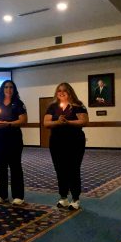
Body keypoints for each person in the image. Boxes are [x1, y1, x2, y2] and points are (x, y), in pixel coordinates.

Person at [44, 82, 88, 210]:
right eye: (59, 91)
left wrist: (68, 122)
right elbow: (46, 123)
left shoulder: (78, 105)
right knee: (60, 169)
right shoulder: (52, 106)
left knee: (73, 169)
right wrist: (57, 122)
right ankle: (63, 197)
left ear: (70, 92)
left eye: (64, 90)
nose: (61, 93)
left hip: (74, 141)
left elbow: (84, 121)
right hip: (57, 141)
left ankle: (75, 199)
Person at [0, 80, 27, 205]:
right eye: (6, 87)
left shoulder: (18, 103)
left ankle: (18, 196)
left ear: (14, 89)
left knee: (15, 167)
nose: (8, 89)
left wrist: (9, 124)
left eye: (11, 87)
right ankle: (2, 195)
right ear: (2, 89)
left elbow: (23, 120)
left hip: (14, 138)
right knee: (1, 167)